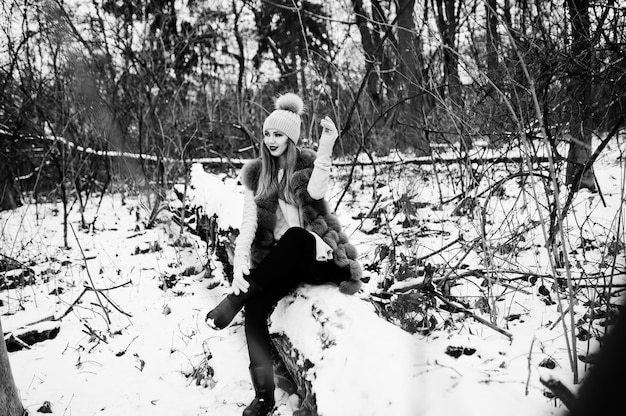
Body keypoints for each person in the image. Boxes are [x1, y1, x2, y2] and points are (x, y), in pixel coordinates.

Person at [205, 92, 362, 416]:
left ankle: (236, 298)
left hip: (319, 257)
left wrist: (327, 145)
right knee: (256, 310)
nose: (271, 140)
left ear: (290, 138)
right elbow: (248, 226)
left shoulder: (305, 164)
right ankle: (263, 396)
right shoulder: (257, 175)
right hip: (282, 265)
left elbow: (317, 190)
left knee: (293, 235)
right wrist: (238, 270)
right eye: (267, 134)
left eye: (278, 134)